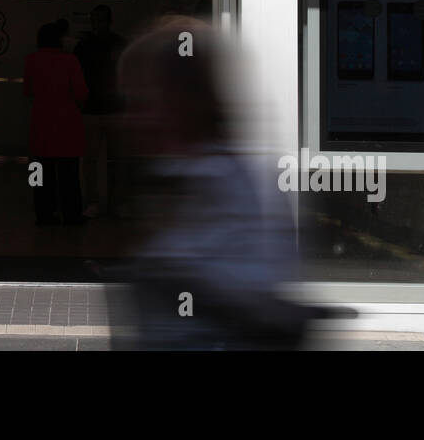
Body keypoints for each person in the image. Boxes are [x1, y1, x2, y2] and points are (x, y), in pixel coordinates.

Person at [110, 17, 317, 350]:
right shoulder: (174, 185)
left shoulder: (235, 191)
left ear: (184, 101)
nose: (130, 120)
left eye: (142, 102)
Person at [23, 21, 89, 226]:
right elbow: (81, 93)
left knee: (42, 172)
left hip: (41, 123)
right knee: (69, 173)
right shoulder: (70, 61)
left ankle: (44, 214)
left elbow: (28, 91)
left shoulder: (32, 60)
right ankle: (71, 214)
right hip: (68, 123)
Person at [74, 4, 126, 217]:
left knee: (93, 160)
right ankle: (111, 202)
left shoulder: (85, 45)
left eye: (100, 20)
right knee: (107, 160)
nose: (98, 24)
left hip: (96, 108)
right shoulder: (117, 44)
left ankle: (96, 202)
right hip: (106, 108)